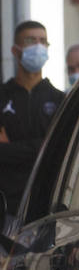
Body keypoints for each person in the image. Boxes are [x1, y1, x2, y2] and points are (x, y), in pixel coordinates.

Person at [0, 20, 64, 217]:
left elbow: (59, 149)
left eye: (43, 41)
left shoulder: (60, 100)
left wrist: (12, 149)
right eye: (30, 40)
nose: (38, 46)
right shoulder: (3, 96)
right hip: (6, 204)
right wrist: (42, 146)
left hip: (46, 203)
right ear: (15, 50)